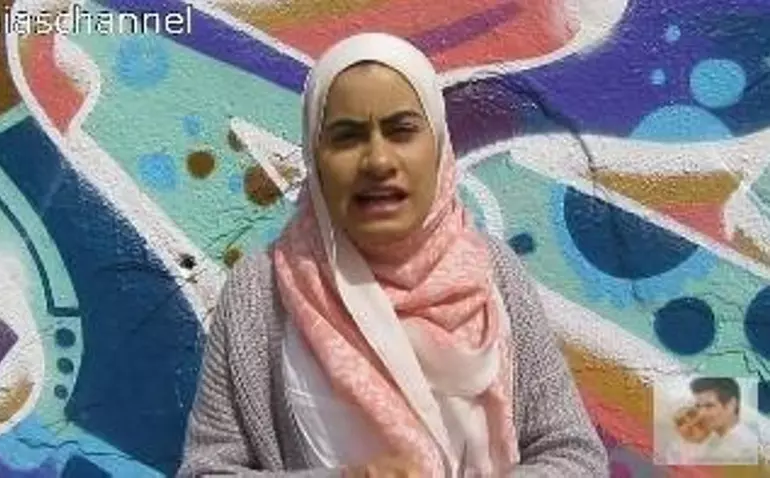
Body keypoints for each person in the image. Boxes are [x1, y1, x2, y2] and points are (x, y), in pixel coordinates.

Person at [176, 32, 607, 477]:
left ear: (438, 145)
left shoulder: (493, 274)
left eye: (402, 131)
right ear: (315, 157)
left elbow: (574, 456)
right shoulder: (263, 291)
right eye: (347, 137)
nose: (378, 161)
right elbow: (206, 471)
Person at [689, 377, 758, 464]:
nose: (701, 414)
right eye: (698, 406)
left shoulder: (747, 449)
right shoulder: (712, 440)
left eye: (709, 406)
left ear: (731, 405)